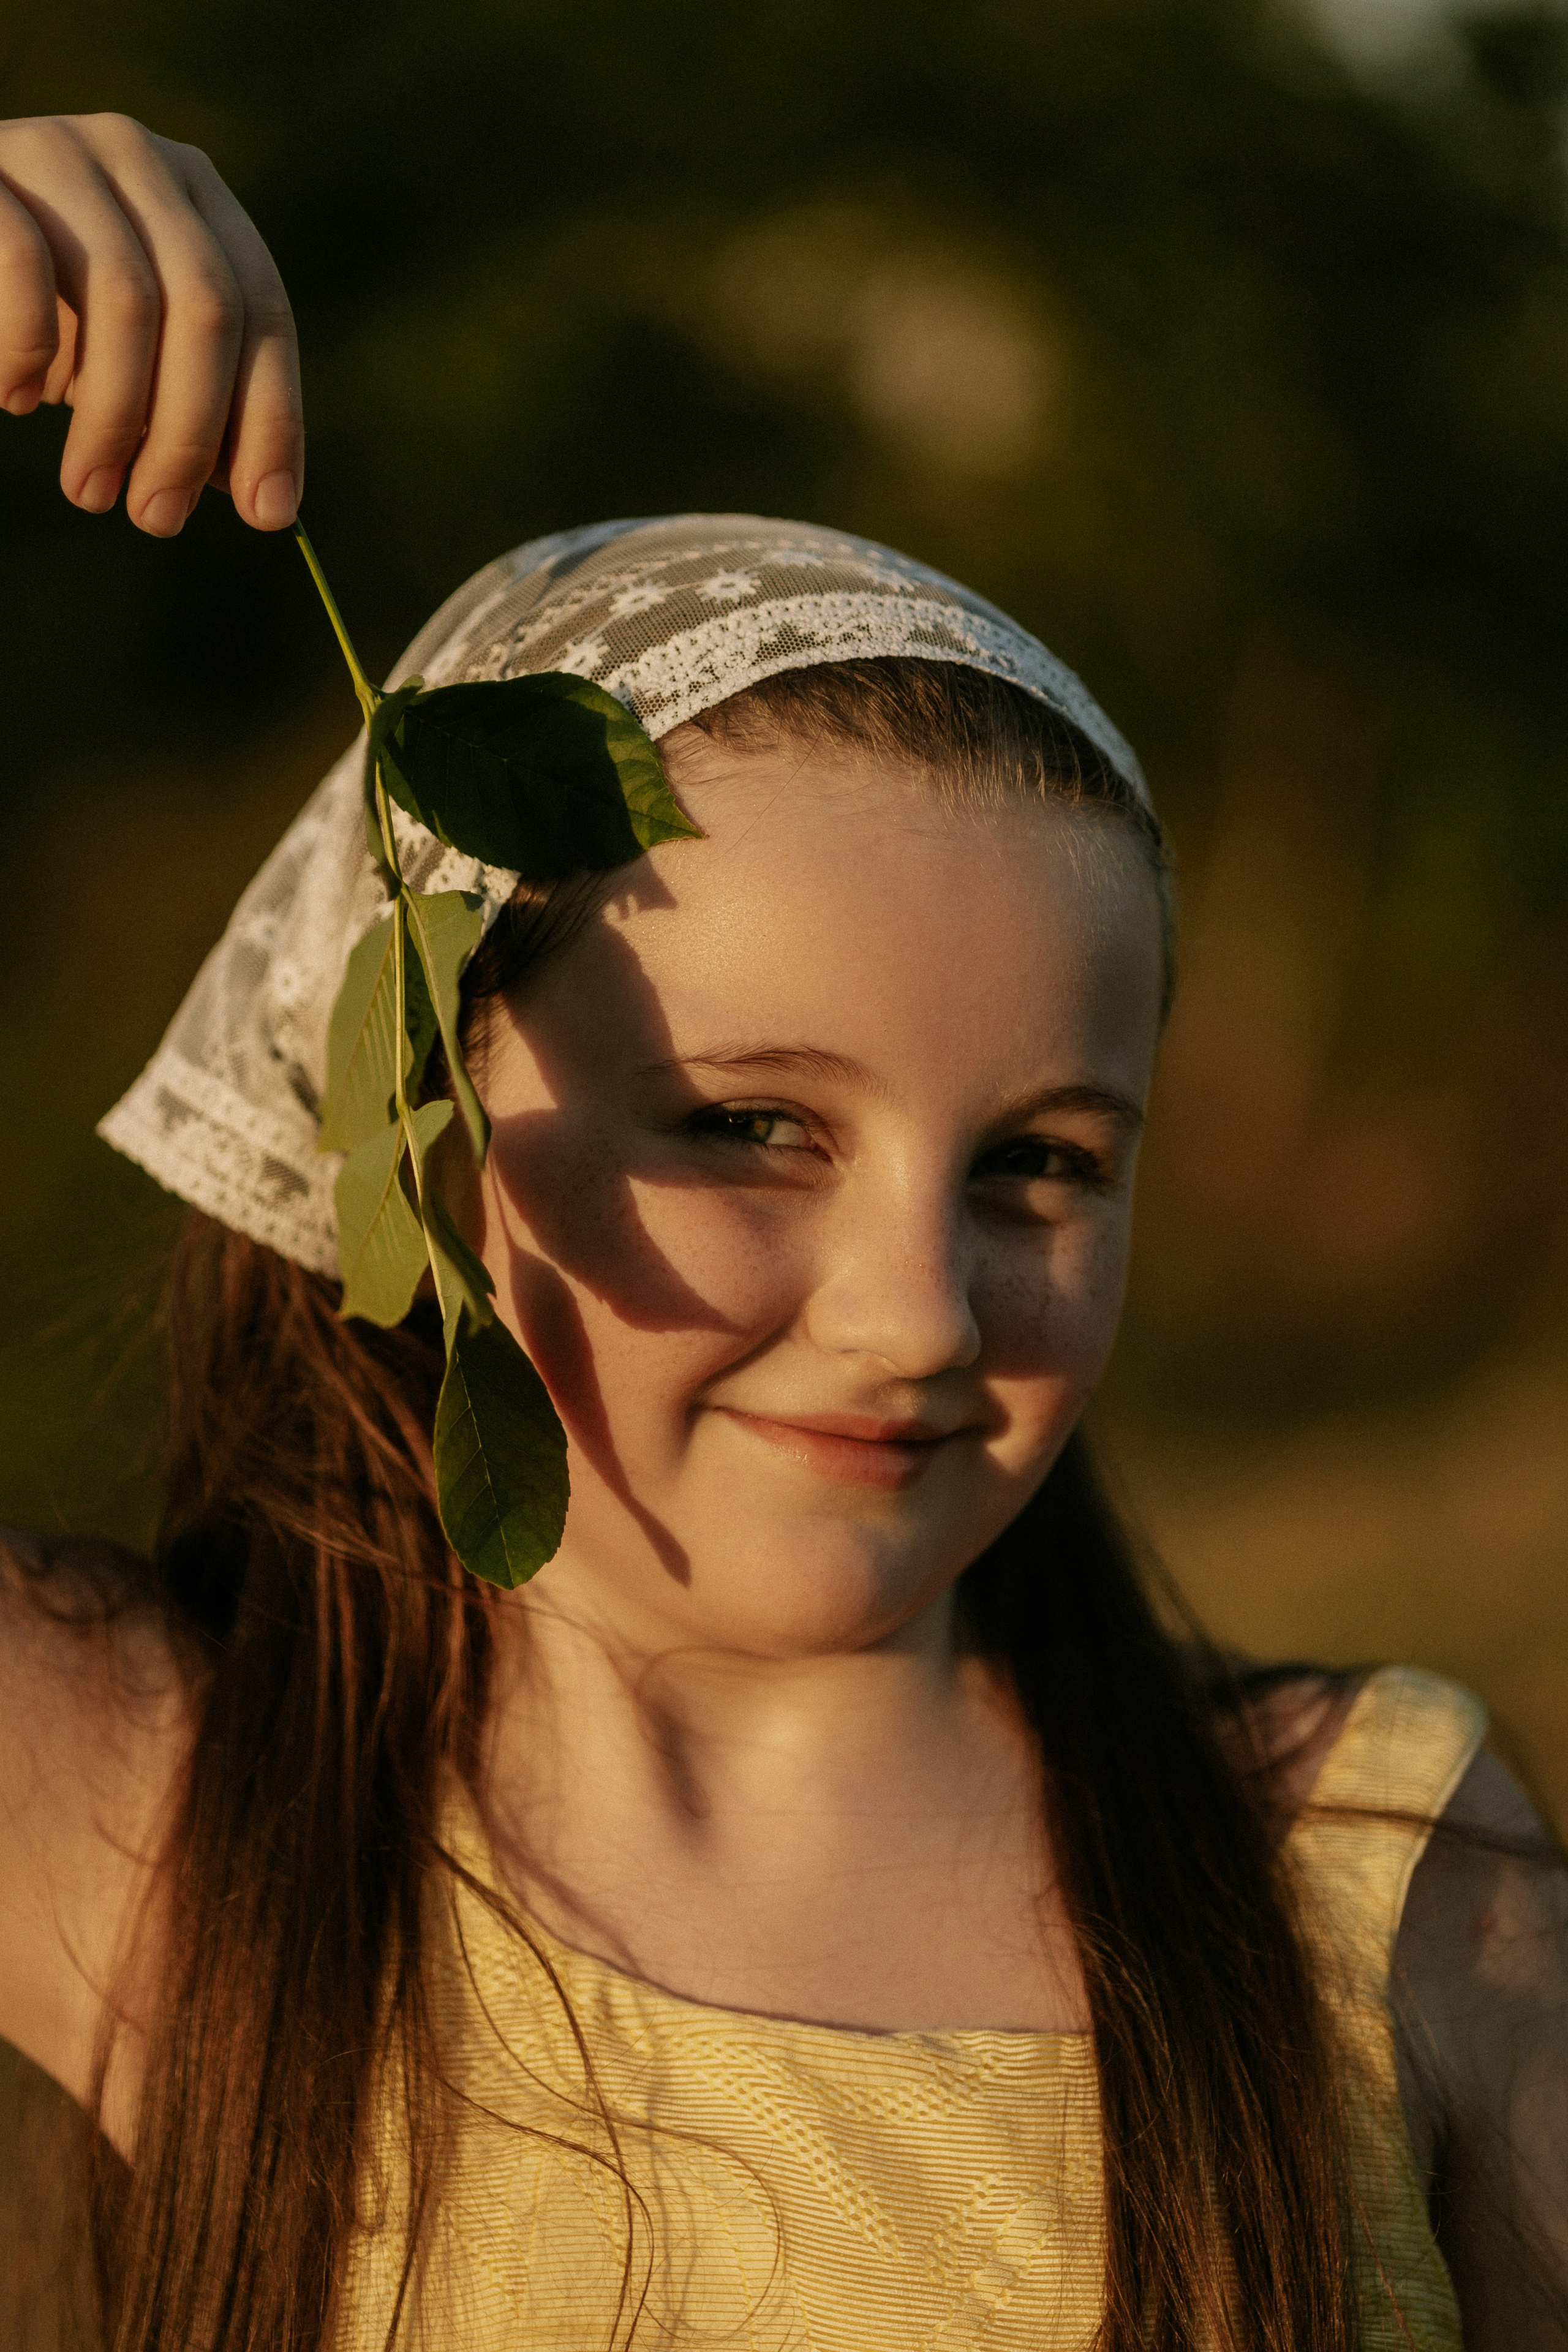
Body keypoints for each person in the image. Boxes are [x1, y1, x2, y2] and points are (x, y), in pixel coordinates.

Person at [0, 112, 1564, 2352]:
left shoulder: (1372, 1876)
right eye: (749, 1122)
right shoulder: (154, 1789)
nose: (919, 1312)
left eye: (1042, 1161)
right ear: (418, 1117)